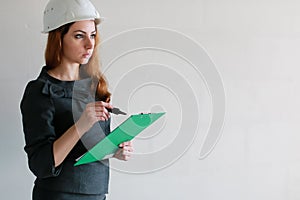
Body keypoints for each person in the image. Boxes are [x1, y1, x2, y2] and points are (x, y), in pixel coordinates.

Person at [20, 0, 133, 199]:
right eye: (79, 36)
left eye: (93, 35)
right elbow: (41, 164)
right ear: (58, 38)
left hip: (96, 193)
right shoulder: (40, 91)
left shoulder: (95, 87)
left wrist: (115, 150)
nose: (90, 44)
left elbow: (90, 150)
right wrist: (82, 124)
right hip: (58, 195)